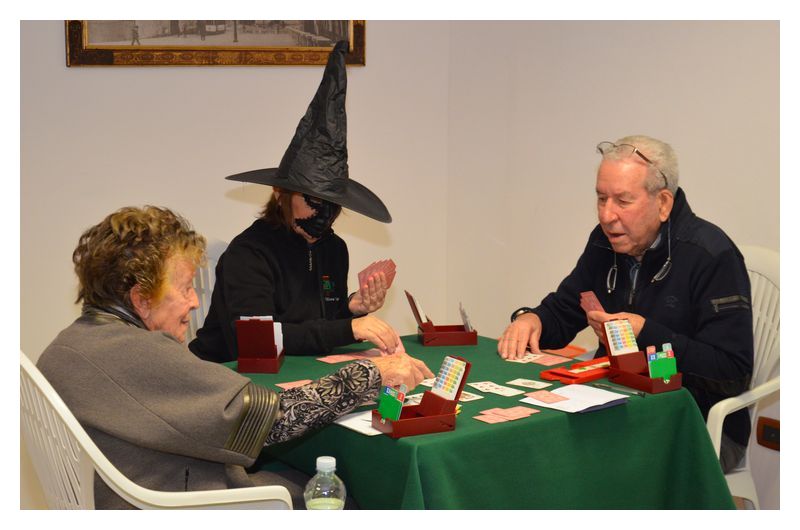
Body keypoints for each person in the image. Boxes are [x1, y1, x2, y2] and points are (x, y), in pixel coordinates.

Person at [37, 206, 433, 509]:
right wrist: (372, 374)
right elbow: (277, 420)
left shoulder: (65, 346)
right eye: (186, 288)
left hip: (129, 496)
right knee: (356, 493)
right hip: (184, 504)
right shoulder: (141, 355)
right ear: (141, 299)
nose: (195, 303)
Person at [498, 135, 753, 473]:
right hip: (615, 404)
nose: (607, 215)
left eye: (622, 201)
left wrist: (645, 334)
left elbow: (731, 371)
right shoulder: (604, 241)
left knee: (574, 467)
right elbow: (566, 308)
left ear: (663, 203)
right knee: (532, 448)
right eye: (601, 198)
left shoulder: (711, 255)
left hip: (695, 421)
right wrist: (534, 319)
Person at [189, 41, 399, 362]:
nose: (324, 213)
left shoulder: (333, 249)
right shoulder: (249, 254)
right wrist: (348, 329)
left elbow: (316, 325)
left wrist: (351, 308)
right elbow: (257, 340)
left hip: (299, 372)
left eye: (332, 203)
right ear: (280, 195)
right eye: (313, 200)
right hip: (229, 373)